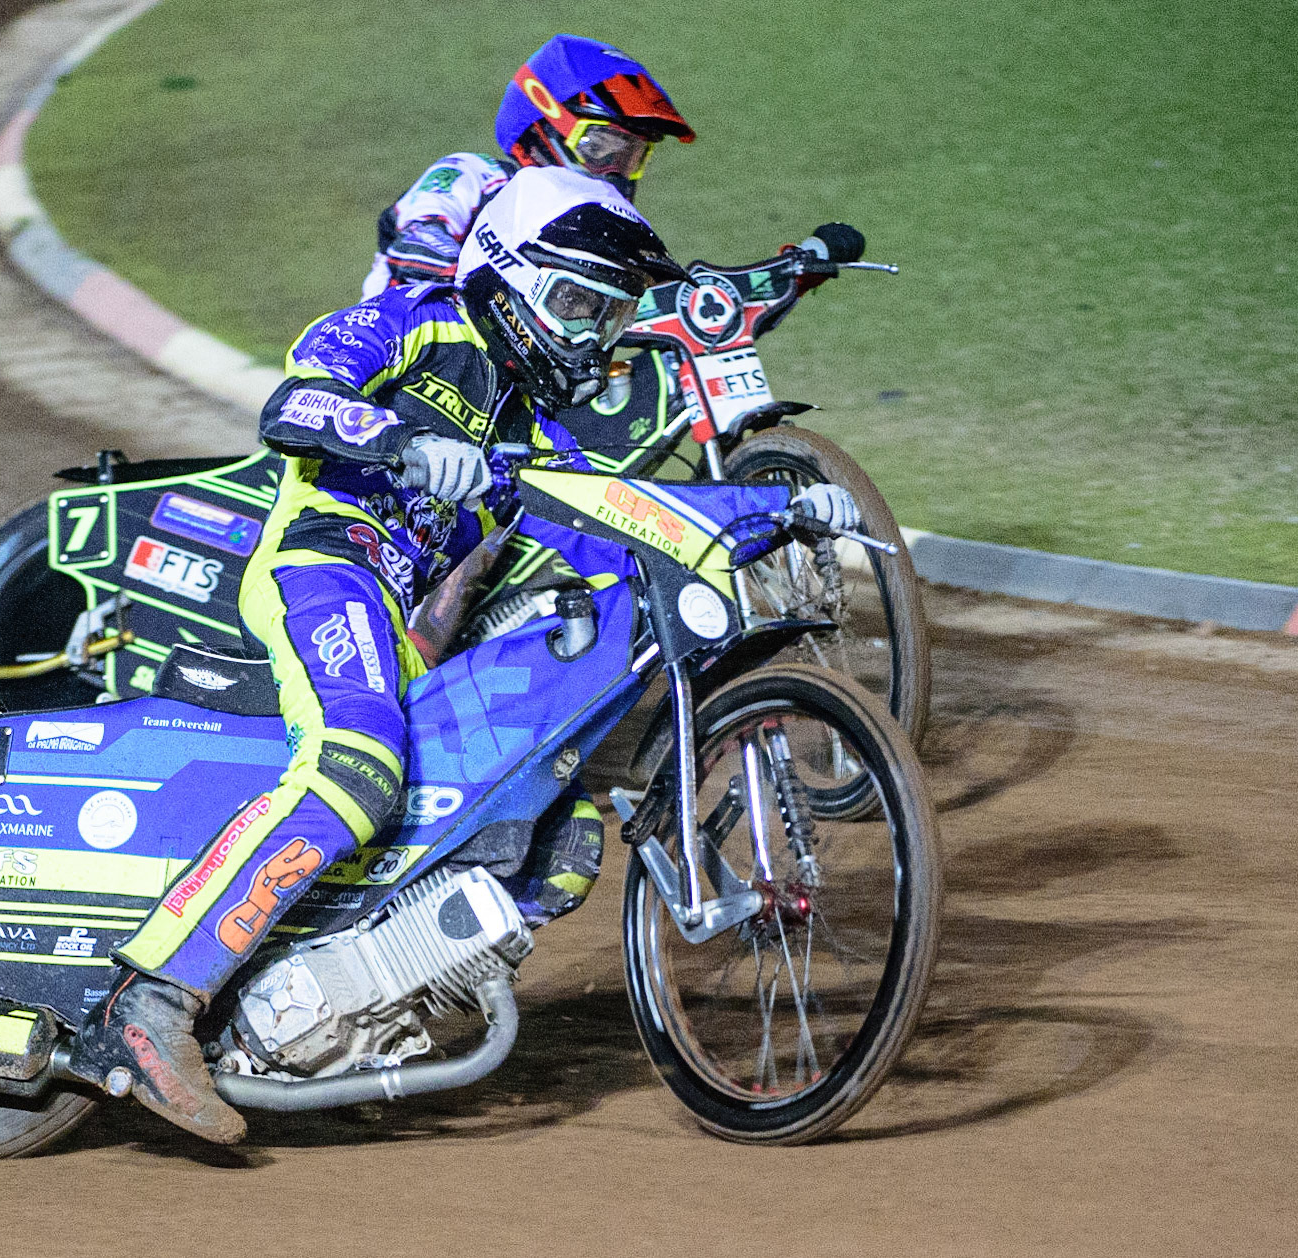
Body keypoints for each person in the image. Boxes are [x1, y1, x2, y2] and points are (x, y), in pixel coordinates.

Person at [69, 168, 858, 1145]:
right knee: (354, 769)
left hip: (403, 627)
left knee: (544, 832)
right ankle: (149, 1004)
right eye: (573, 303)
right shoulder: (419, 319)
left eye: (604, 316)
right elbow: (295, 401)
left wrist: (778, 507)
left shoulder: (531, 427)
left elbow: (627, 509)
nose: (586, 334)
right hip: (323, 564)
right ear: (507, 274)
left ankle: (336, 1019)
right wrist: (398, 439)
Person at [363, 33, 695, 297]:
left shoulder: (588, 235)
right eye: (597, 148)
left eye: (630, 157)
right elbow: (417, 244)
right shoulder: (476, 174)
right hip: (400, 356)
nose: (614, 172)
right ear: (543, 132)